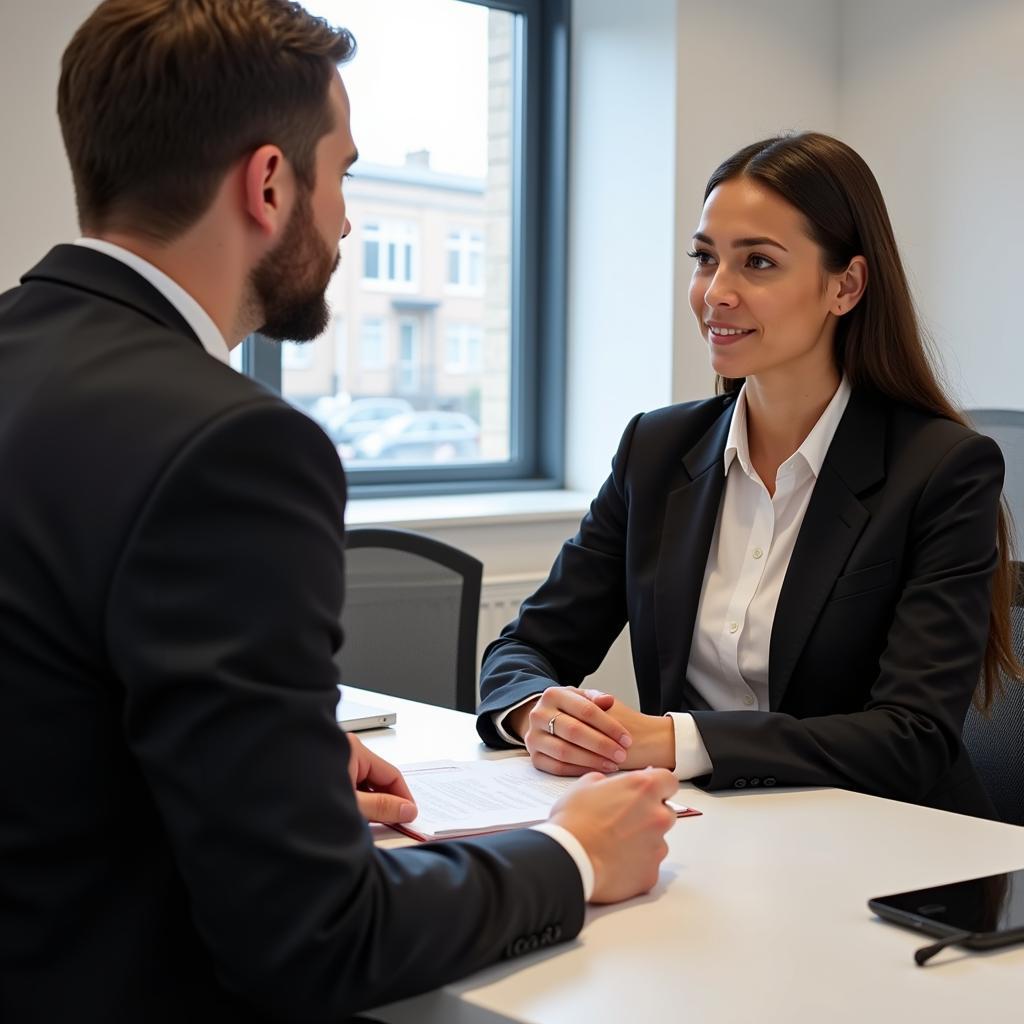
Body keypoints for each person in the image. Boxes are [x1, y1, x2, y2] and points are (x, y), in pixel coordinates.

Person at [0, 2, 679, 1021]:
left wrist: (276, 769)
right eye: (344, 173)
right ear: (269, 183)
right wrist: (572, 854)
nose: (351, 217)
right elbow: (314, 936)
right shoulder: (230, 446)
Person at [478, 131, 1021, 819]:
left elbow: (910, 737)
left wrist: (676, 740)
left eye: (758, 263)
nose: (716, 293)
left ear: (845, 286)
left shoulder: (941, 469)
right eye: (705, 260)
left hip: (881, 847)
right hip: (701, 834)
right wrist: (536, 713)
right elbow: (526, 647)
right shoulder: (656, 448)